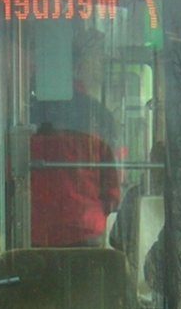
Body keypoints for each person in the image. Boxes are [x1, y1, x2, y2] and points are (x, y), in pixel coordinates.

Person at [30, 29, 120, 246]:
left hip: (38, 234)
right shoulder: (100, 117)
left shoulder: (26, 116)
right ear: (78, 68)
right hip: (87, 231)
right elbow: (112, 193)